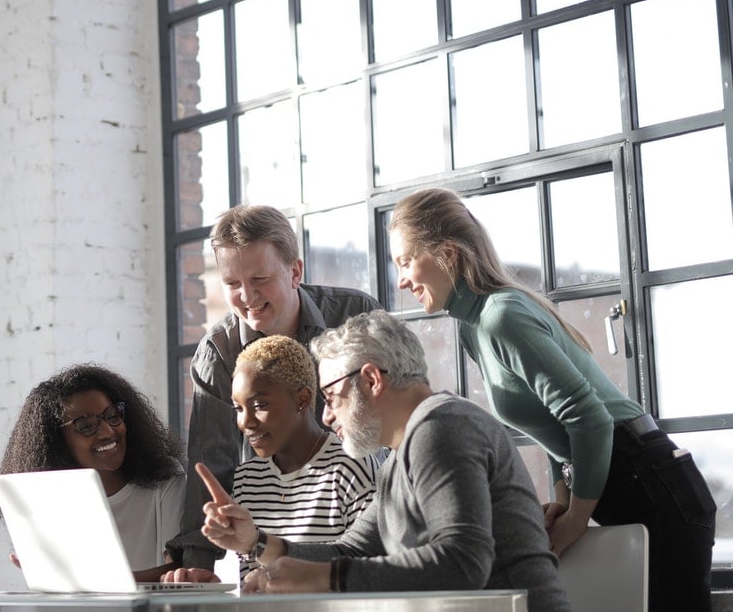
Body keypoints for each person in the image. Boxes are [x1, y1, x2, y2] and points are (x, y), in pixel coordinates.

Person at [389, 187, 716, 611]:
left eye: (404, 261)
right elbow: (550, 420)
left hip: (652, 481)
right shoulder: (474, 325)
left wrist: (576, 519)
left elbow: (590, 420)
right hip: (634, 481)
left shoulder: (499, 318)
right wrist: (562, 500)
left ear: (448, 254)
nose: (401, 280)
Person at [183, 310, 571, 610]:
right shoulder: (401, 457)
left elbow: (462, 563)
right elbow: (350, 550)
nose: (326, 415)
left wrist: (326, 578)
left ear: (371, 380)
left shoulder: (442, 429)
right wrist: (257, 542)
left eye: (332, 396)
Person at [169, 204, 382, 570]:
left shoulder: (354, 317)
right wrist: (198, 564)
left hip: (360, 513)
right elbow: (211, 460)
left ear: (295, 271)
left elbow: (393, 419)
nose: (248, 296)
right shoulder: (219, 351)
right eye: (233, 284)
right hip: (270, 525)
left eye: (260, 279)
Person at [165, 335, 378, 583]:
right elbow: (256, 583)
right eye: (238, 409)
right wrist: (216, 591)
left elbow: (368, 570)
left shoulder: (350, 465)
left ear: (302, 399)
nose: (245, 422)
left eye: (259, 404)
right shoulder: (247, 477)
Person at [0, 363, 185, 582]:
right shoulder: (48, 497)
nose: (107, 432)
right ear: (57, 442)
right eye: (86, 426)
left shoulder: (164, 477)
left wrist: (87, 581)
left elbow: (179, 570)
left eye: (112, 416)